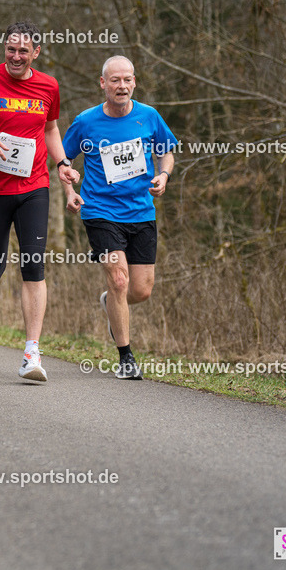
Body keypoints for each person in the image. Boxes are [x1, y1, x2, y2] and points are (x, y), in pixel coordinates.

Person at [0, 21, 79, 382]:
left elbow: (49, 128)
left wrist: (62, 163)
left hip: (33, 186)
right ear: (4, 49)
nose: (16, 56)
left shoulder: (48, 85)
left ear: (36, 53)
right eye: (10, 49)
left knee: (33, 264)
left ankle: (32, 352)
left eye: (23, 51)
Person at [62, 55, 177, 379]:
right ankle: (126, 358)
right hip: (100, 211)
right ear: (103, 84)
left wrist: (163, 176)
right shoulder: (86, 121)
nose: (121, 86)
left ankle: (110, 302)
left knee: (140, 291)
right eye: (115, 80)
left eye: (127, 80)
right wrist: (71, 189)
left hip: (141, 212)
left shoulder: (149, 116)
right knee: (119, 279)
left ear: (134, 83)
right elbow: (64, 159)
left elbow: (166, 150)